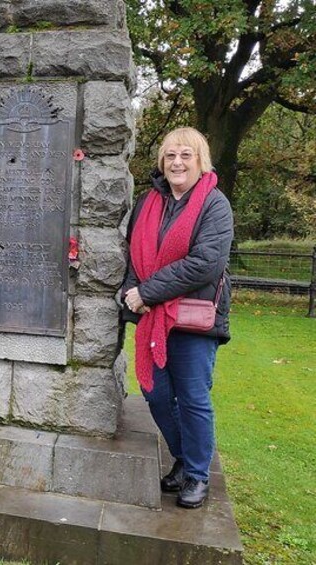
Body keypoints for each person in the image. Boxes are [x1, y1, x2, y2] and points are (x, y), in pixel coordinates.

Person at [121, 127, 233, 509]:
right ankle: (184, 460)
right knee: (155, 394)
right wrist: (130, 293)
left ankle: (198, 474)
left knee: (192, 399)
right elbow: (135, 254)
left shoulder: (214, 204)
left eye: (186, 155)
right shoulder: (148, 202)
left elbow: (204, 263)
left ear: (200, 161)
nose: (177, 162)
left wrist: (147, 292)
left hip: (193, 321)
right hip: (153, 318)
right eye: (170, 155)